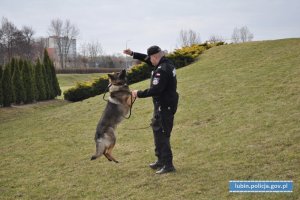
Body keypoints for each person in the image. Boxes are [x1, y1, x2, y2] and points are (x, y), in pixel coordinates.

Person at [123, 46, 179, 174]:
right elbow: (147, 59)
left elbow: (156, 90)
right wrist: (133, 54)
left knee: (163, 135)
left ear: (155, 57)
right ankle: (160, 160)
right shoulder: (166, 62)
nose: (149, 61)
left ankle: (168, 165)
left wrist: (138, 93)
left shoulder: (162, 70)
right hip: (162, 105)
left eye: (151, 59)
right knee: (157, 130)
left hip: (165, 106)